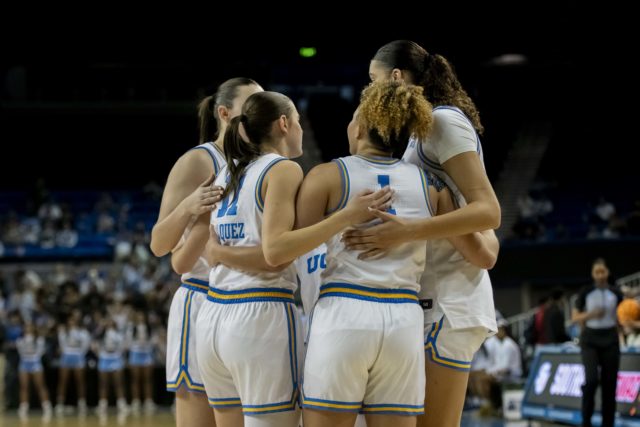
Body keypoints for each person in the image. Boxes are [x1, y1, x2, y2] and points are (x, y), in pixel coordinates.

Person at [190, 89, 391, 427]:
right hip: (258, 314)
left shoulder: (227, 170)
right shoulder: (283, 169)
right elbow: (277, 255)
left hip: (213, 318)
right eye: (298, 121)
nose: (300, 128)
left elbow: (231, 248)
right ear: (284, 124)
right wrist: (347, 215)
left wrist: (219, 253)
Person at [343, 40, 500, 427]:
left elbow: (488, 210)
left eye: (373, 79)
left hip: (451, 299)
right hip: (433, 295)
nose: (369, 89)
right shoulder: (419, 130)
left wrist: (407, 231)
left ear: (396, 77)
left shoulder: (443, 121)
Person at [149, 77, 263, 427]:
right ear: (224, 114)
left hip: (246, 303)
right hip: (202, 297)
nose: (258, 114)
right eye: (250, 107)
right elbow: (159, 244)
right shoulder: (199, 160)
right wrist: (188, 207)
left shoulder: (264, 162)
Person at [572, 258, 623, 427]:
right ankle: (586, 420)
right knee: (591, 380)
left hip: (610, 339)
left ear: (607, 272)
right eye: (597, 272)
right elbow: (574, 317)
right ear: (593, 274)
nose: (600, 275)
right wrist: (590, 315)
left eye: (603, 272)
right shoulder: (586, 292)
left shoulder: (616, 293)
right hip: (590, 340)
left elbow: (622, 314)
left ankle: (608, 423)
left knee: (610, 384)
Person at [55, 310, 91, 416]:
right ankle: (60, 403)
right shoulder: (63, 331)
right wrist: (67, 352)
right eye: (70, 320)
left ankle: (82, 403)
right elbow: (62, 344)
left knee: (80, 381)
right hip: (66, 356)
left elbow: (86, 345)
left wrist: (79, 353)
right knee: (63, 381)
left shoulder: (83, 332)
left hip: (78, 356)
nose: (72, 322)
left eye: (74, 320)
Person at [16, 322, 52, 420]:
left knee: (40, 385)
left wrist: (34, 357)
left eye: (30, 327)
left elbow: (41, 352)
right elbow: (21, 352)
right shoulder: (20, 340)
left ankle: (46, 406)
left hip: (35, 362)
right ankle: (23, 407)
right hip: (24, 362)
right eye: (26, 327)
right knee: (24, 386)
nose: (28, 328)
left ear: (33, 328)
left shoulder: (39, 340)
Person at [126, 310, 156, 414]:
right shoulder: (131, 328)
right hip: (136, 353)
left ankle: (148, 401)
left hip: (146, 353)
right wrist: (137, 346)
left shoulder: (149, 328)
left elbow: (153, 340)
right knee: (135, 379)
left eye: (142, 316)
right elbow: (128, 341)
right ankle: (136, 401)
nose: (140, 318)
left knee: (148, 379)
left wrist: (146, 345)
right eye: (138, 316)